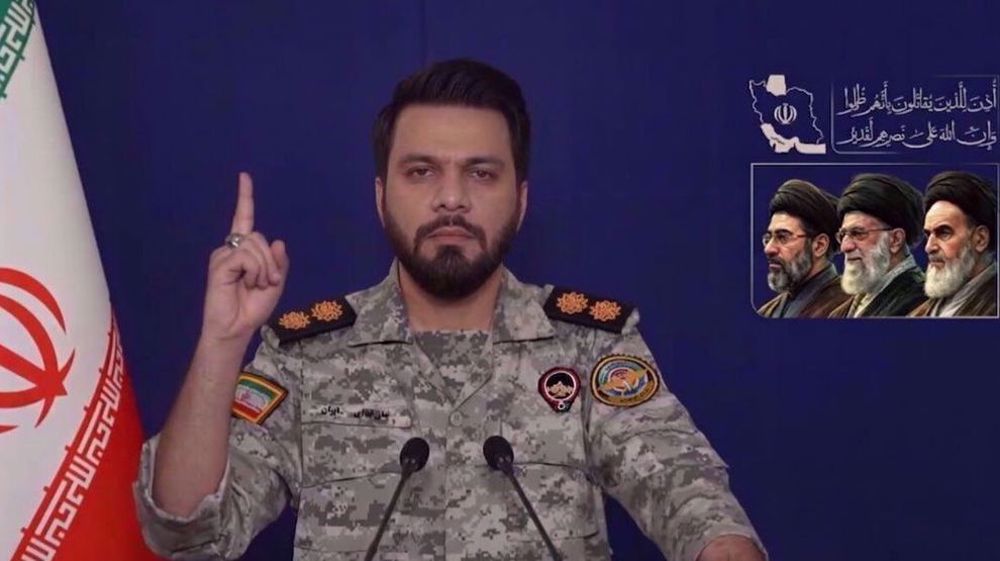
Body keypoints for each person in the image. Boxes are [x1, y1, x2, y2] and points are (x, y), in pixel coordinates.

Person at [133, 59, 766, 561]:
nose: (452, 199)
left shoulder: (590, 344)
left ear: (520, 201)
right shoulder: (306, 355)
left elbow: (686, 491)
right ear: (381, 197)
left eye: (481, 174)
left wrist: (722, 547)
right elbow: (187, 532)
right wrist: (221, 342)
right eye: (422, 172)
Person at [828, 173, 926, 318]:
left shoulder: (923, 303)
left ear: (895, 240)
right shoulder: (842, 311)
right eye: (843, 235)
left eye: (858, 233)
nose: (845, 247)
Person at [909, 171, 998, 317]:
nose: (929, 247)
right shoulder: (920, 312)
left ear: (980, 239)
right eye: (928, 234)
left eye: (944, 233)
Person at [757, 179, 850, 318]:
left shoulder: (851, 308)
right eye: (768, 238)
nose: (769, 249)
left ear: (819, 245)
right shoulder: (766, 312)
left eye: (783, 237)